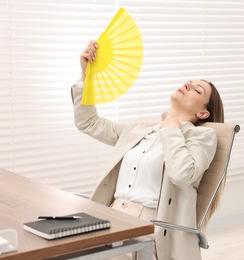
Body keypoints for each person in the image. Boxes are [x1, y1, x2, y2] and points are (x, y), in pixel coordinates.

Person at [71, 40, 225, 260]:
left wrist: (172, 123)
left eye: (196, 90)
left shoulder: (201, 136)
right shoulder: (142, 127)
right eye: (188, 83)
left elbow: (182, 175)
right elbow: (89, 124)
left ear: (203, 113)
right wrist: (86, 76)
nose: (187, 86)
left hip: (150, 230)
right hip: (110, 217)